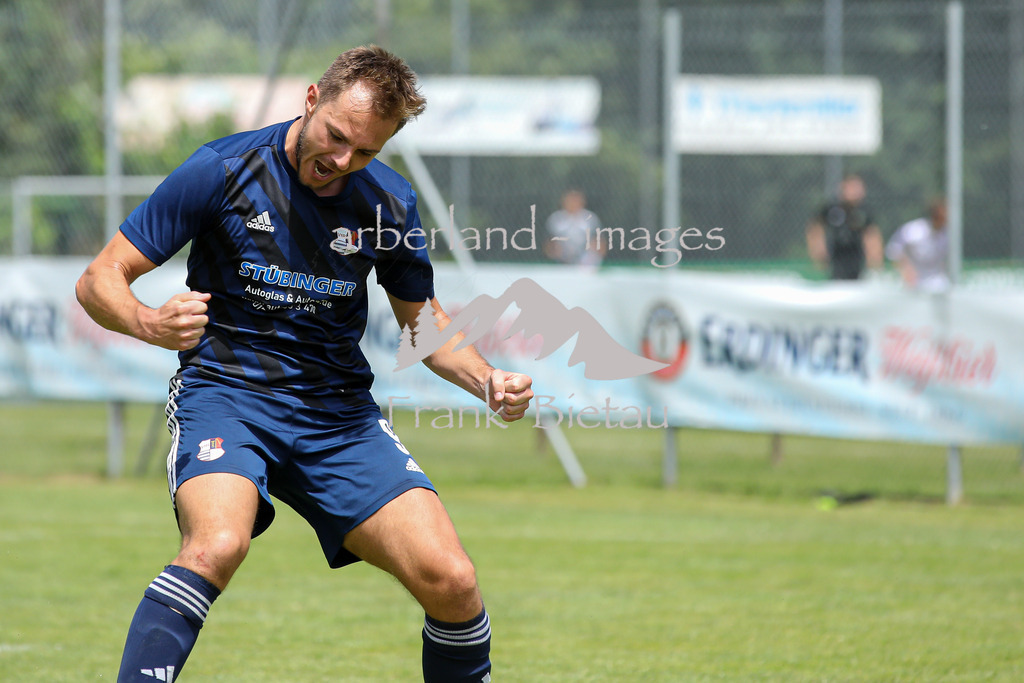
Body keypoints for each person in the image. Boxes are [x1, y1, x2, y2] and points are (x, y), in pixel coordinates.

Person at [76, 45, 533, 683]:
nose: (341, 162)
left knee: (452, 580)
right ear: (312, 100)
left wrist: (486, 379)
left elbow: (424, 324)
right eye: (336, 137)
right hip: (227, 397)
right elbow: (100, 278)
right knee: (217, 545)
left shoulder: (387, 205)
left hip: (338, 418)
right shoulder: (223, 168)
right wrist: (149, 322)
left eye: (365, 152)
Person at [806, 173, 884, 280]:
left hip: (856, 256)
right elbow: (815, 228)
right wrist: (818, 250)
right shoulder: (832, 209)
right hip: (836, 255)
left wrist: (874, 259)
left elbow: (871, 236)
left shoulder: (864, 212)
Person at [885, 197, 950, 292]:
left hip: (938, 281)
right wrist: (906, 269)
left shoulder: (948, 234)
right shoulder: (915, 230)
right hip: (915, 282)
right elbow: (893, 249)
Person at [544, 189, 605, 267]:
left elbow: (600, 242)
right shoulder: (556, 219)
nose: (573, 203)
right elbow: (548, 243)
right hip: (561, 259)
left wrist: (593, 255)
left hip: (585, 260)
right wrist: (555, 252)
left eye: (576, 200)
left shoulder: (590, 219)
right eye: (571, 200)